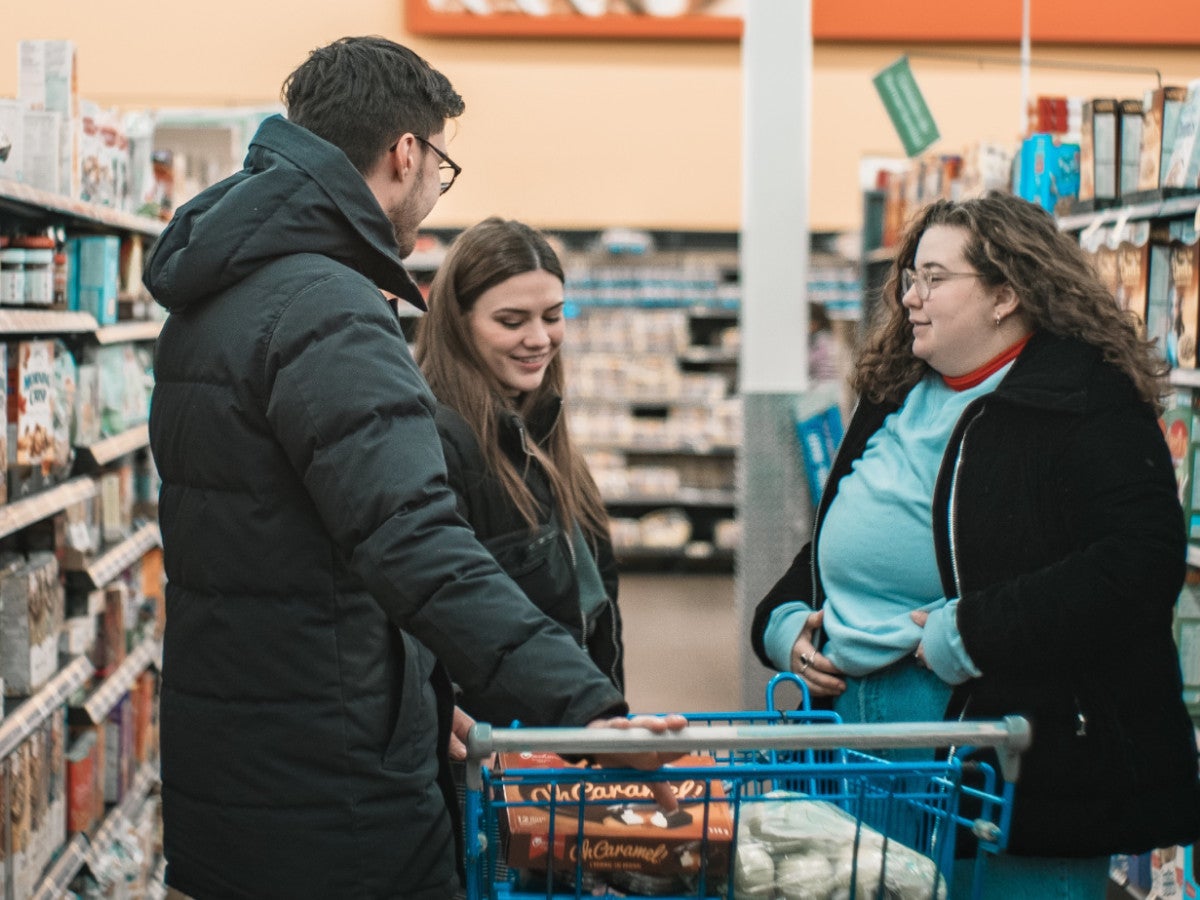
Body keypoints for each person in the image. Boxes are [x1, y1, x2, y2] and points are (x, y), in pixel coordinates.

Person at [144, 37, 682, 900]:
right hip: (336, 798)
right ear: (407, 153)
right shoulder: (329, 308)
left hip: (241, 762)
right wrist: (589, 714)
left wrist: (427, 702)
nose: (436, 188)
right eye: (441, 164)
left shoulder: (220, 293)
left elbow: (294, 552)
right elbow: (416, 544)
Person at [750, 191, 1200, 899]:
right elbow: (844, 536)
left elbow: (1138, 562)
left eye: (935, 278)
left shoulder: (1082, 400)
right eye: (909, 279)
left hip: (1010, 763)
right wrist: (782, 621)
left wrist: (974, 632)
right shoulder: (896, 391)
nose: (911, 298)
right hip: (858, 754)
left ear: (1005, 295)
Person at [414, 217, 624, 718]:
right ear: (459, 323)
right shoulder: (438, 441)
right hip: (501, 747)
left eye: (553, 315)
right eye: (512, 321)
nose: (539, 339)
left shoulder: (543, 426)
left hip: (562, 731)